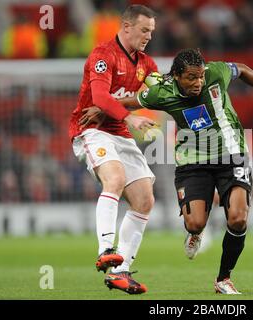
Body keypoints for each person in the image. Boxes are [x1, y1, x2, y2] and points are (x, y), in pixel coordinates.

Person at [80, 48, 253, 294]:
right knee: (194, 223)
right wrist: (103, 109)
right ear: (176, 76)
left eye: (201, 76)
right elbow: (132, 101)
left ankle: (223, 278)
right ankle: (195, 233)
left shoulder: (215, 72)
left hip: (232, 154)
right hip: (193, 162)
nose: (199, 82)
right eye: (192, 77)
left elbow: (243, 69)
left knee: (238, 218)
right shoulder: (162, 93)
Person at [68, 4, 158, 295]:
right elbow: (100, 97)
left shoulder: (148, 64)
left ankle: (121, 272)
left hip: (119, 133)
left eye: (152, 32)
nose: (148, 36)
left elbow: (155, 95)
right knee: (115, 179)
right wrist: (129, 115)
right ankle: (106, 248)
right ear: (127, 26)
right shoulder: (103, 55)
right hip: (91, 130)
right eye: (144, 30)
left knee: (144, 198)